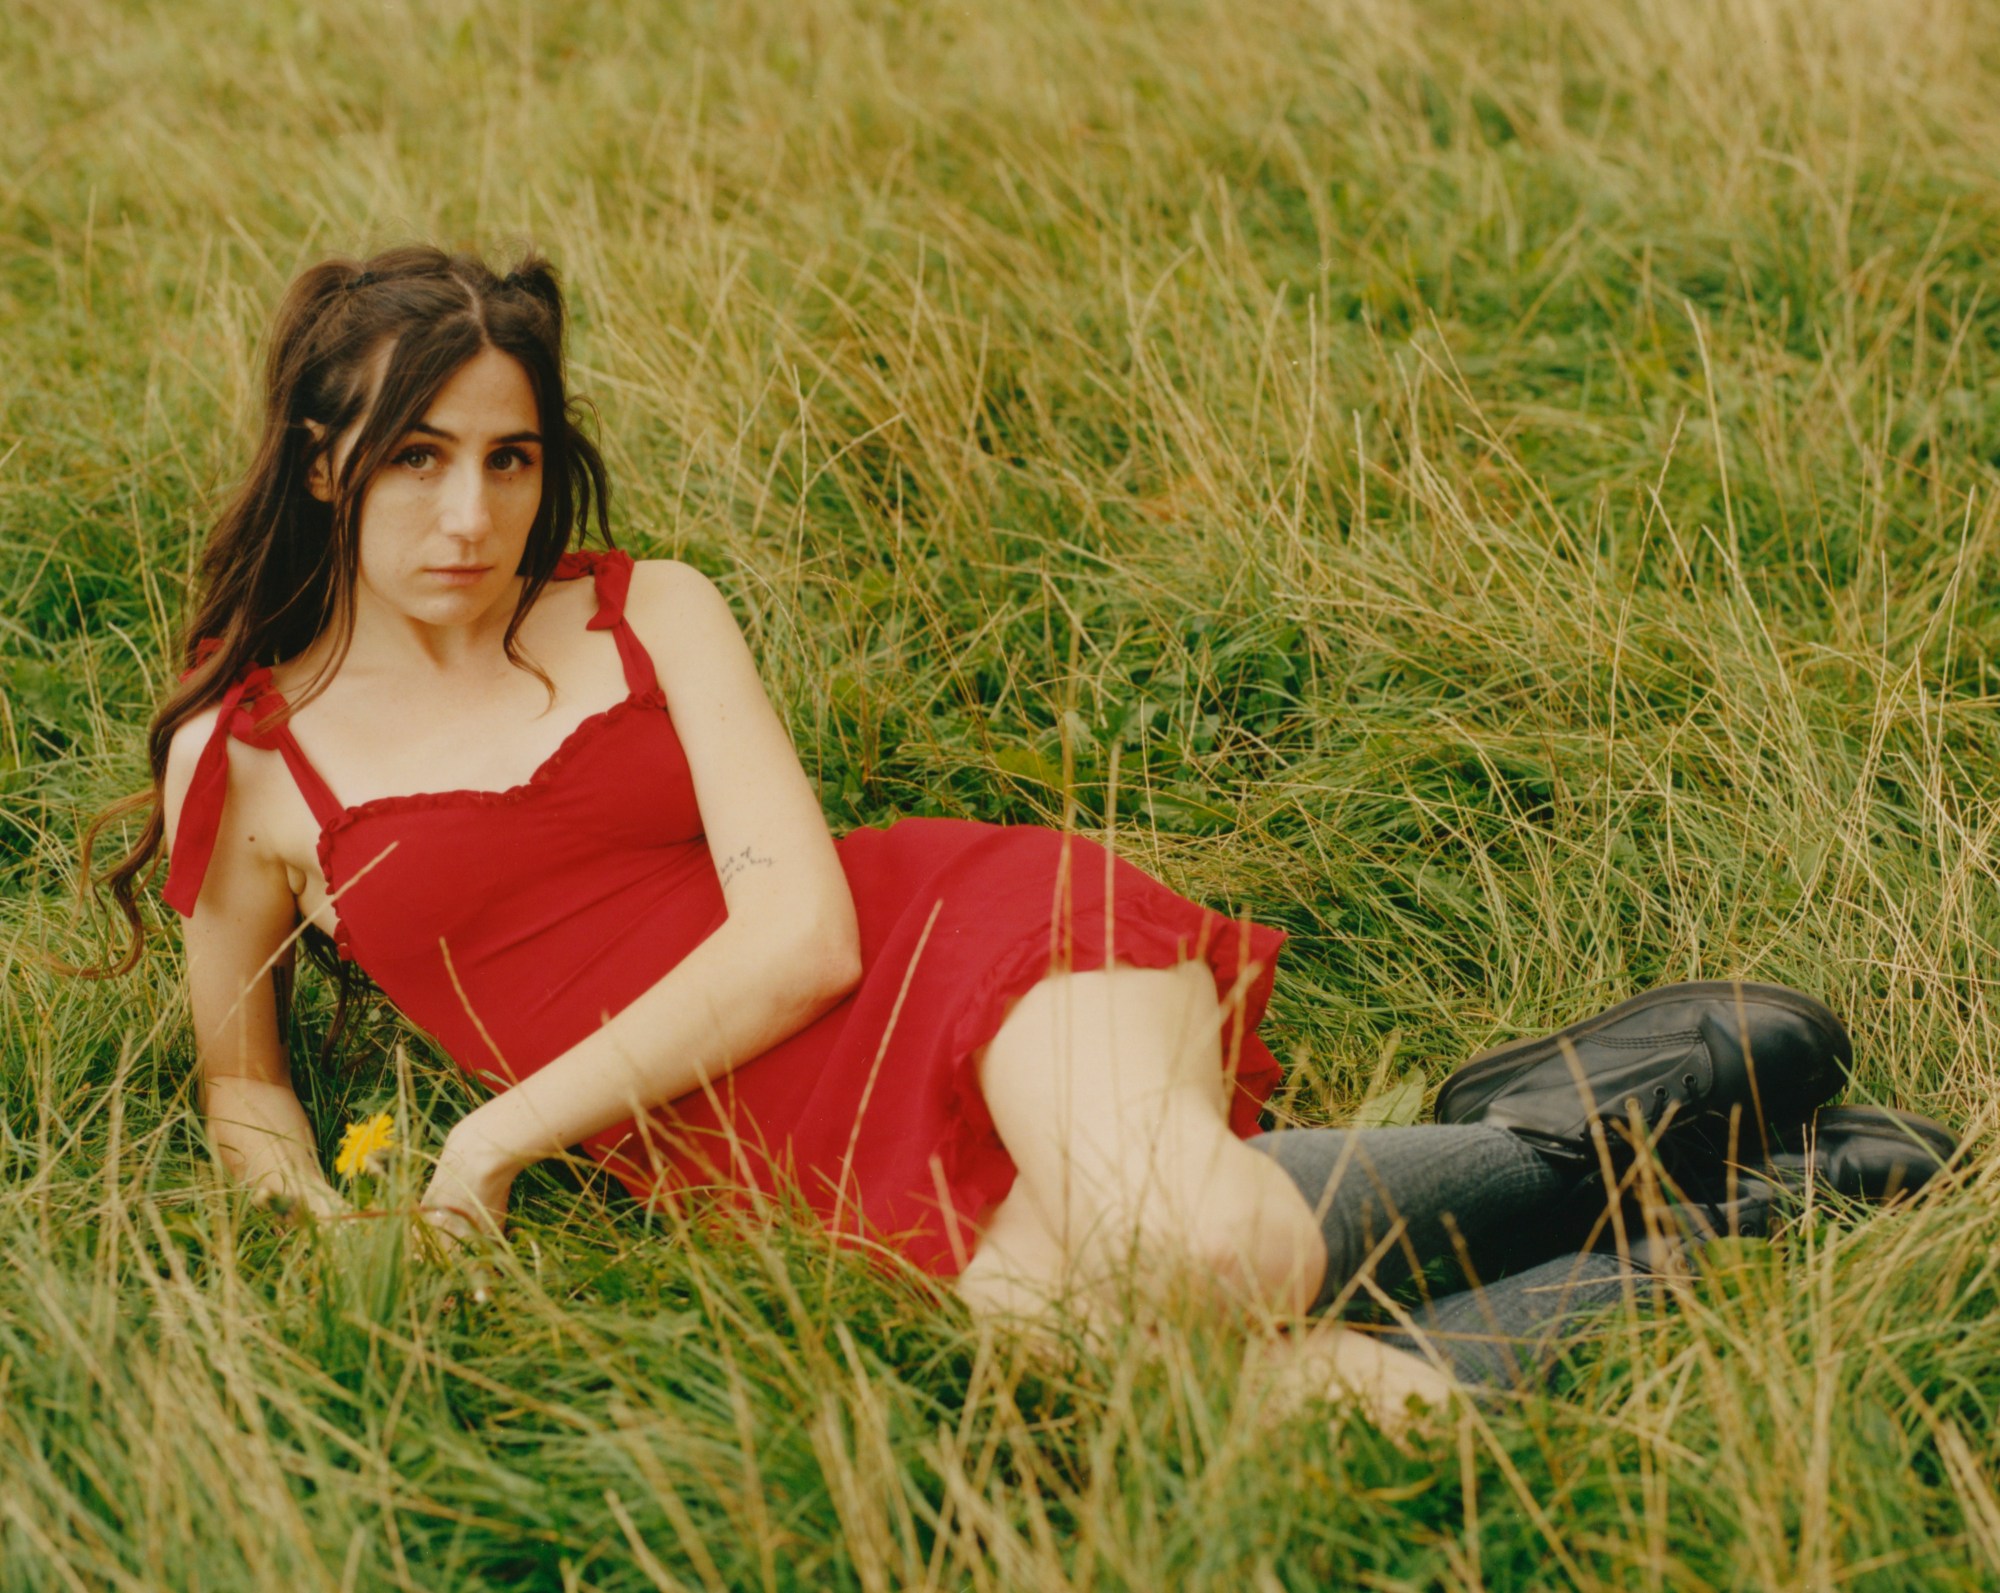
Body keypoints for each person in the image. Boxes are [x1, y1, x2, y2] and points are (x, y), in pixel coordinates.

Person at [80, 246, 1955, 1424]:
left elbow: (807, 934)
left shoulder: (654, 608)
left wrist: (485, 1139)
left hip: (958, 956)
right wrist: (330, 1233)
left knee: (1197, 1259)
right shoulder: (250, 770)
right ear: (323, 458)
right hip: (755, 1146)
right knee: (1271, 1399)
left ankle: (1548, 1135)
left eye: (504, 456)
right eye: (414, 456)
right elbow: (245, 1087)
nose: (468, 513)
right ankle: (1719, 1198)